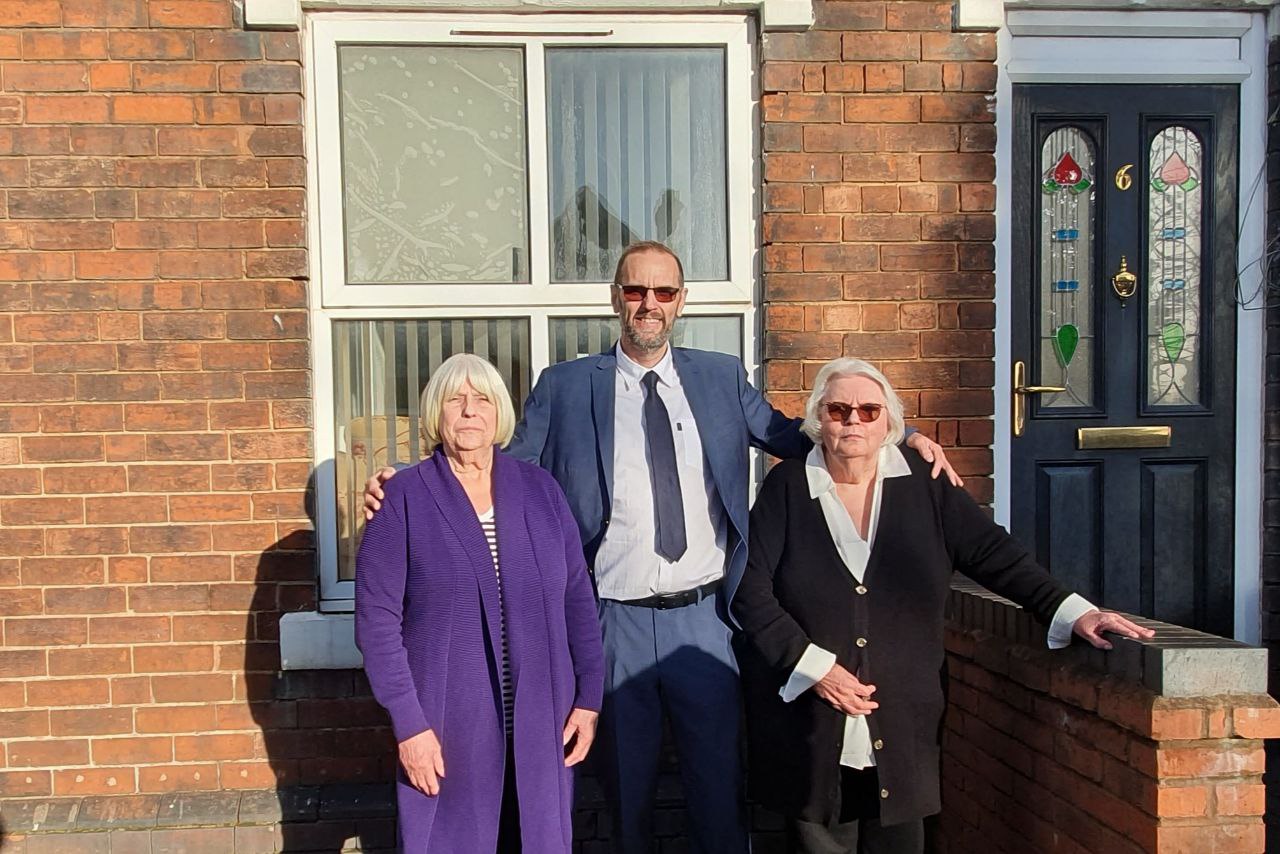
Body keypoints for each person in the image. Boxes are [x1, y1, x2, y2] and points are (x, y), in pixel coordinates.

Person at [363, 241, 960, 853]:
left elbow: (798, 436)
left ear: (681, 302)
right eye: (635, 290)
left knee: (718, 791)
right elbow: (488, 460)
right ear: (615, 299)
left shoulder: (719, 378)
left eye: (664, 292)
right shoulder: (566, 387)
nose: (649, 304)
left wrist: (900, 435)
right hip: (611, 621)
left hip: (705, 622)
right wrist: (406, 482)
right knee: (627, 797)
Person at [730, 357, 1154, 854]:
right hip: (810, 719)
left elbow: (994, 556)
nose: (853, 421)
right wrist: (816, 667)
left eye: (869, 411)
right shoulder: (786, 487)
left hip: (903, 717)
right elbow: (750, 591)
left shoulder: (925, 483)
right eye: (838, 409)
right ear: (817, 419)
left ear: (889, 421)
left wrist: (1073, 610)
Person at [354, 353, 604, 853]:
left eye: (483, 399)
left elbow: (577, 595)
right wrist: (410, 726)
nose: (470, 410)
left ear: (500, 412)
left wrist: (589, 696)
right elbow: (376, 623)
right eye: (456, 399)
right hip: (447, 731)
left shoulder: (541, 491)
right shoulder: (402, 497)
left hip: (543, 723)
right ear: (436, 412)